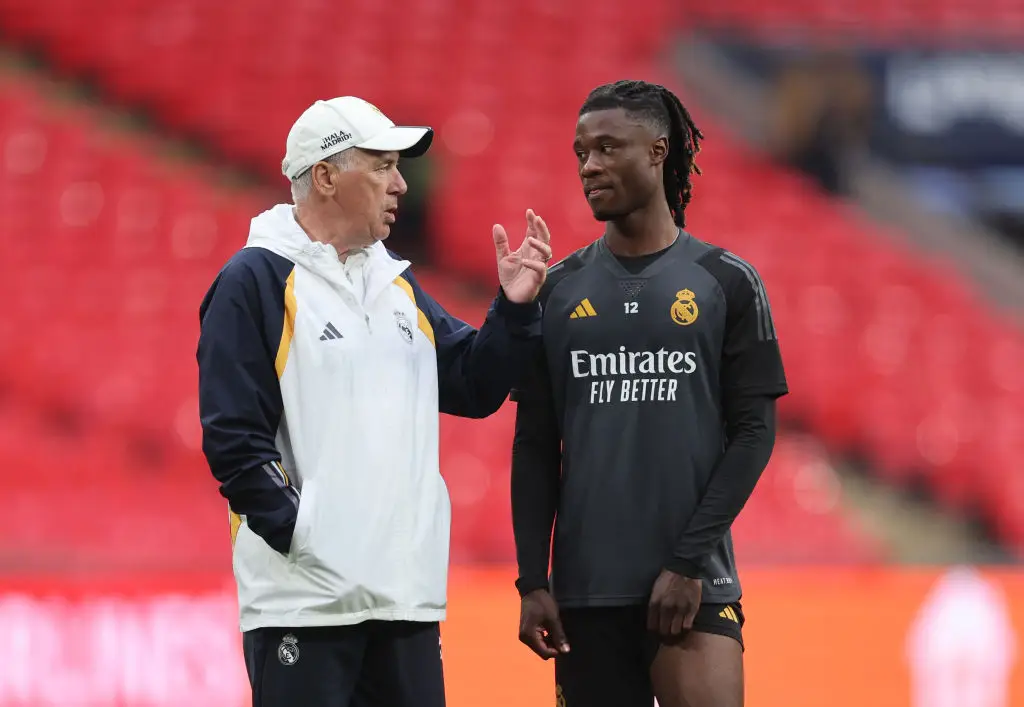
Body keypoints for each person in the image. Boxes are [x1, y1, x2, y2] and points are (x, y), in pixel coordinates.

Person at [196, 96, 552, 707]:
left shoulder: (392, 283)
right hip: (303, 606)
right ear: (328, 176)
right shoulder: (252, 281)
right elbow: (233, 437)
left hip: (403, 600)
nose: (402, 183)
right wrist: (309, 538)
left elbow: (472, 384)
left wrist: (513, 310)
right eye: (383, 165)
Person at [510, 80, 788, 707]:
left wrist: (689, 562)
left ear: (659, 151)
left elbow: (754, 433)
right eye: (581, 152)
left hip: (696, 587)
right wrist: (532, 579)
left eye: (608, 147)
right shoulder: (554, 291)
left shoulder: (727, 281)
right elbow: (533, 446)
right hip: (585, 594)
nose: (590, 166)